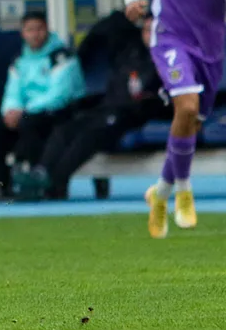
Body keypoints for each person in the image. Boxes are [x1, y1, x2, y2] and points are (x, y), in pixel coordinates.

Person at [120, 0, 226, 238]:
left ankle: (160, 192)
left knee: (190, 123)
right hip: (169, 37)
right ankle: (183, 192)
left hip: (211, 45)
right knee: (188, 107)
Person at [16, 11, 167, 200]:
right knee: (66, 129)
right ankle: (41, 172)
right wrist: (129, 14)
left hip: (134, 114)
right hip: (108, 108)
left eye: (155, 31)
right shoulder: (130, 50)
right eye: (146, 30)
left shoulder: (170, 58)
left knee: (90, 134)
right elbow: (110, 23)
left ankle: (55, 182)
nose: (150, 36)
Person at [0, 12, 85, 201]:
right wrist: (11, 110)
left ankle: (35, 182)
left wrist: (24, 111)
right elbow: (12, 92)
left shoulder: (62, 56)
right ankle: (2, 185)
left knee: (30, 122)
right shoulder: (20, 60)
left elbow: (58, 96)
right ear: (23, 33)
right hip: (27, 113)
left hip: (60, 113)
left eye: (39, 29)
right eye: (30, 30)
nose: (35, 34)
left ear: (47, 30)